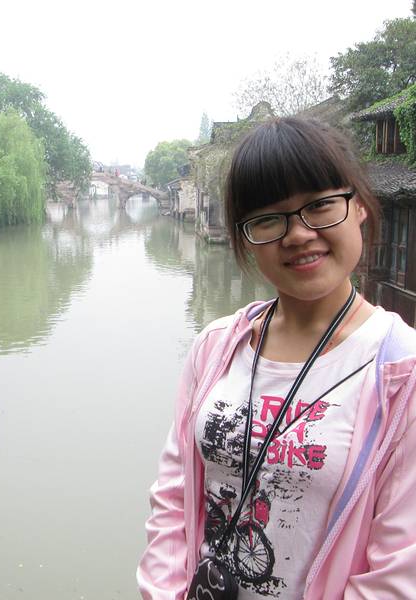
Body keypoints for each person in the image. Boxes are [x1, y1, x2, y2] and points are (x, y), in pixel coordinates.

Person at [137, 117, 416, 600]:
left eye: (320, 205)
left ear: (359, 207)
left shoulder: (402, 373)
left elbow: (398, 571)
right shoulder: (217, 347)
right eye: (269, 218)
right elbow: (174, 498)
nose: (299, 234)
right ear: (245, 237)